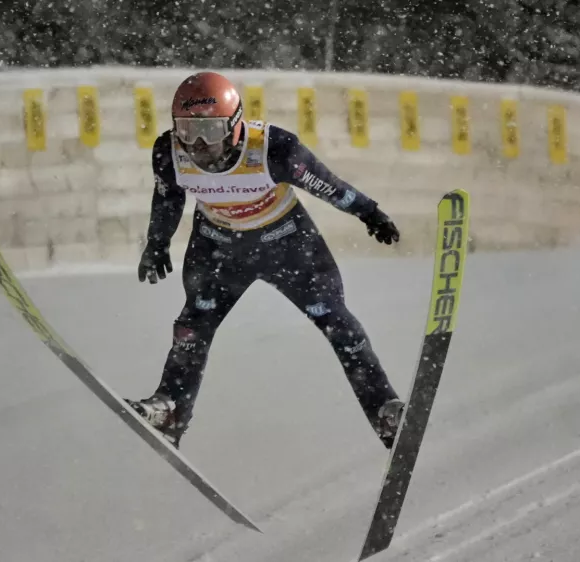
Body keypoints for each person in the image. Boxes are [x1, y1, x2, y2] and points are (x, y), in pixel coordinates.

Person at [124, 71, 405, 450]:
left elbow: (328, 184)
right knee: (192, 328)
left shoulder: (275, 149)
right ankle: (171, 406)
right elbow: (168, 199)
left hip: (287, 246)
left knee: (337, 321)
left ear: (236, 124)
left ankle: (384, 409)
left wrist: (369, 213)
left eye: (210, 129)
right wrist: (156, 244)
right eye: (188, 131)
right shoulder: (167, 152)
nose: (200, 144)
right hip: (219, 249)